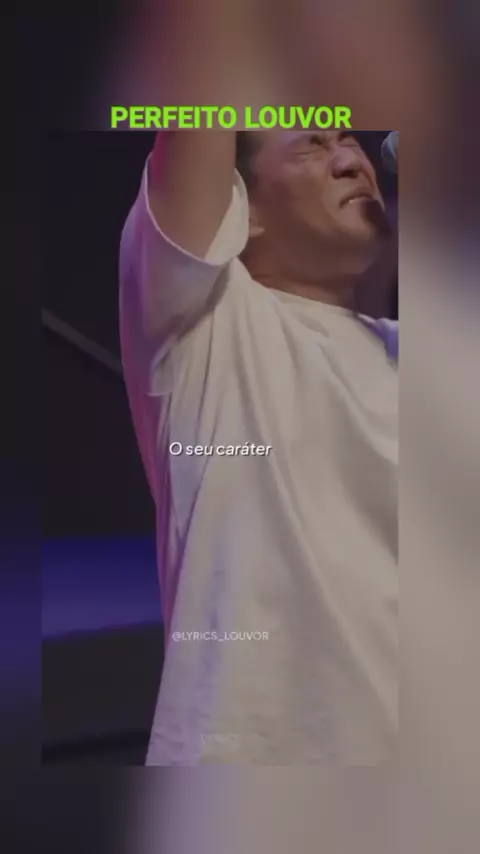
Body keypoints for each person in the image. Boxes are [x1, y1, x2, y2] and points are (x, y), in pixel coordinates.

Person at [119, 124, 398, 766]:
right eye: (313, 145)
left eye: (351, 141)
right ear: (243, 207)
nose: (352, 160)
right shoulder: (204, 322)